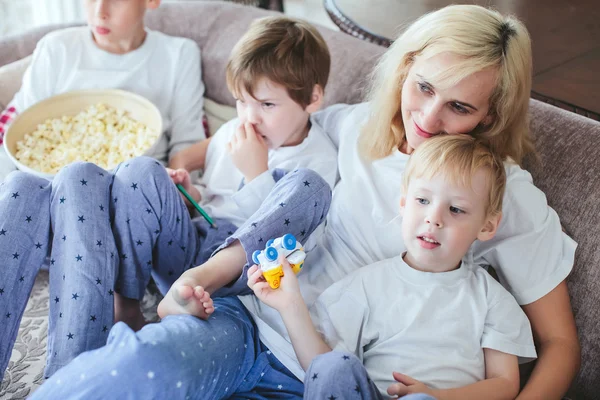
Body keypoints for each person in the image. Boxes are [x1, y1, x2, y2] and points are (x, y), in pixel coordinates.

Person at [33, 4, 579, 400]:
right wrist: (188, 160)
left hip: (342, 381)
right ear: (407, 67)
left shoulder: (501, 195)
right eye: (424, 87)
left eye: (459, 106)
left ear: (491, 114)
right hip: (248, 325)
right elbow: (267, 125)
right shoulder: (359, 126)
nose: (428, 120)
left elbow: (559, 344)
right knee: (137, 366)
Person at [0, 14, 335, 382]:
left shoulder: (317, 158)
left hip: (244, 267)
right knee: (140, 171)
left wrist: (257, 175)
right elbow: (211, 194)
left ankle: (173, 298)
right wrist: (187, 192)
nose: (250, 118)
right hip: (193, 245)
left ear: (313, 99)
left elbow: (295, 235)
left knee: (301, 188)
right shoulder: (231, 134)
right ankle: (126, 306)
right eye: (241, 102)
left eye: (267, 105)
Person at [248, 135, 537, 400]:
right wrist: (290, 305)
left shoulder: (491, 298)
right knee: (336, 366)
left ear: (487, 226)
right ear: (403, 204)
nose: (433, 219)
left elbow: (504, 383)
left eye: (456, 209)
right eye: (422, 200)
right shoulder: (367, 284)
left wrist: (436, 397)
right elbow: (319, 366)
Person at [0, 0, 206, 178]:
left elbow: (188, 144)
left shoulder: (179, 55)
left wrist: (179, 188)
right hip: (51, 189)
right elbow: (15, 133)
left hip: (140, 189)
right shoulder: (56, 49)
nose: (99, 12)